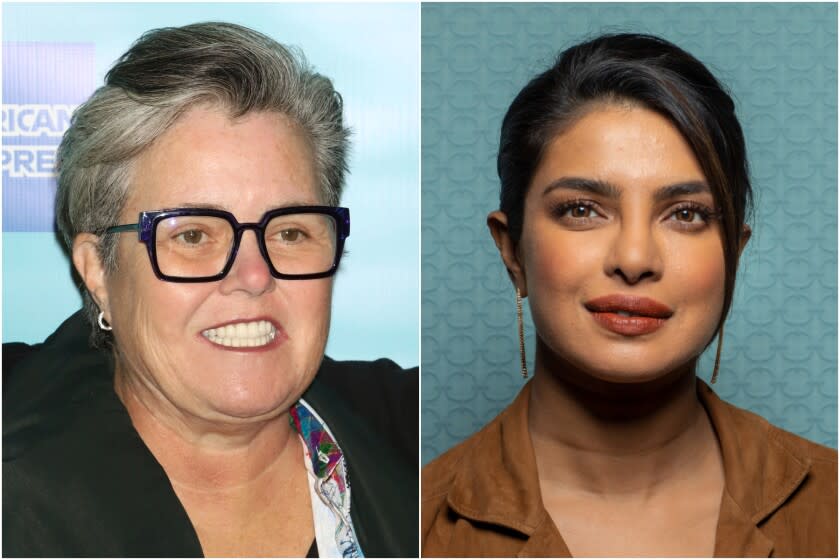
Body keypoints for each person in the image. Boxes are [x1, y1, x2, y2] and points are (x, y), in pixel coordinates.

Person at [3, 22, 417, 557]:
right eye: (193, 234)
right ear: (98, 271)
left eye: (289, 232)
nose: (253, 277)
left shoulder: (415, 440)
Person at [421, 33, 836, 557]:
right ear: (512, 251)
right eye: (582, 209)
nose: (635, 259)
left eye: (686, 214)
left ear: (733, 254)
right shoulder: (414, 526)